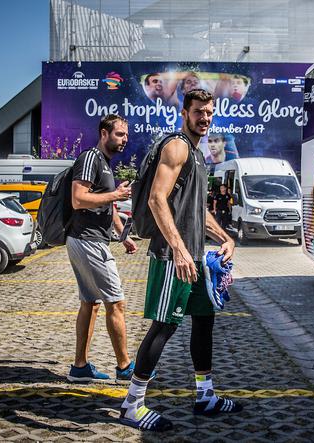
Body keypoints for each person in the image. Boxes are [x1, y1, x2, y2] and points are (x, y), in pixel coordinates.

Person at [120, 89, 242, 432]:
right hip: (172, 255)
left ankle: (205, 395)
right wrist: (178, 248)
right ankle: (132, 405)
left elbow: (197, 211)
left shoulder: (199, 155)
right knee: (165, 325)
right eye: (199, 112)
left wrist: (226, 237)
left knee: (204, 321)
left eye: (209, 112)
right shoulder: (177, 147)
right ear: (185, 113)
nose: (205, 117)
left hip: (195, 255)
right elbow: (158, 200)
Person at [66, 114, 139, 383]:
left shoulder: (106, 164)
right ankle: (125, 368)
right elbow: (78, 199)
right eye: (120, 134)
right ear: (104, 133)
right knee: (116, 303)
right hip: (88, 240)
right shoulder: (90, 158)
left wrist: (123, 236)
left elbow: (106, 206)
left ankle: (79, 367)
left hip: (88, 239)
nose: (124, 140)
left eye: (126, 135)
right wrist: (115, 195)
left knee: (90, 303)